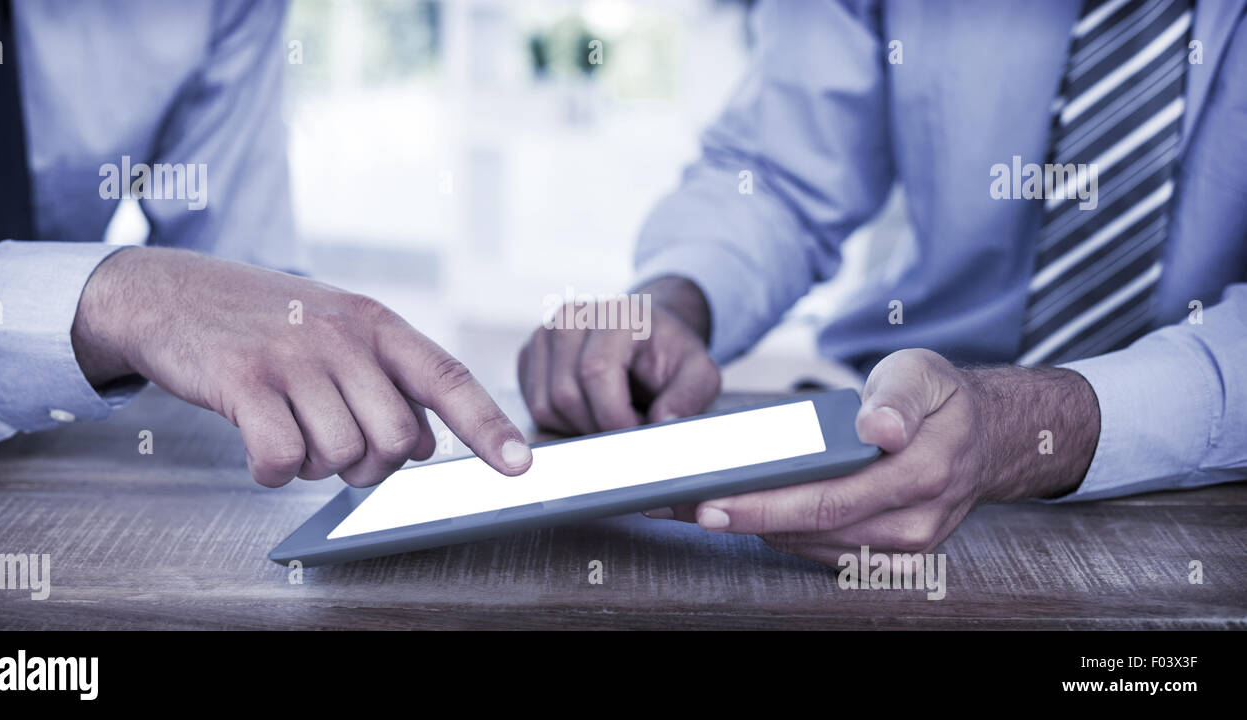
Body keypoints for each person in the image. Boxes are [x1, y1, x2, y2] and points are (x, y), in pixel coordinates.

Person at [518, 0, 1247, 566]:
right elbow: (778, 172)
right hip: (886, 446)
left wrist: (1019, 424)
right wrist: (676, 299)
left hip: (1209, 498)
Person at [0, 0, 533, 486]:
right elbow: (178, 304)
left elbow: (240, 288)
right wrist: (124, 300)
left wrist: (296, 342)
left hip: (42, 470)